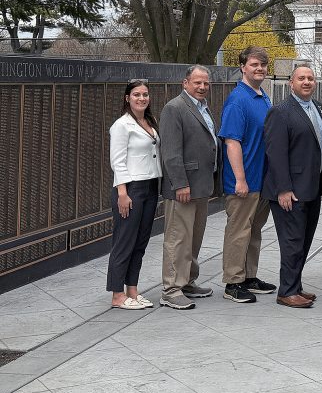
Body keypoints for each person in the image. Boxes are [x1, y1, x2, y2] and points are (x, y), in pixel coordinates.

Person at [263, 65, 322, 309]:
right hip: (289, 192)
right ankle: (286, 291)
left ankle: (296, 285)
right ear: (291, 83)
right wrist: (283, 189)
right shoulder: (280, 112)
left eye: (310, 78)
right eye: (301, 78)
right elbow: (276, 153)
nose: (306, 82)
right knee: (291, 242)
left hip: (311, 189)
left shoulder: (318, 109)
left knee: (303, 242)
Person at [159, 65, 222, 310]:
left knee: (193, 238)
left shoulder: (203, 108)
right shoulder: (174, 108)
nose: (202, 87)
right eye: (197, 82)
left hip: (202, 185)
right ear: (185, 83)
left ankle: (187, 282)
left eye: (205, 83)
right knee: (177, 238)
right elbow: (171, 153)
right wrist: (180, 184)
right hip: (183, 188)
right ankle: (171, 289)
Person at [219, 46, 277, 303]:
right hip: (244, 181)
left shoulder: (263, 96)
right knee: (238, 231)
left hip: (263, 180)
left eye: (263, 65)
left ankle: (249, 276)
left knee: (254, 231)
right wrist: (240, 179)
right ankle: (233, 282)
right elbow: (232, 142)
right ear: (243, 67)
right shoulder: (237, 99)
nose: (260, 69)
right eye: (254, 65)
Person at [107, 79, 162, 310]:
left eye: (145, 94)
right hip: (130, 189)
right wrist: (123, 193)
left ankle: (132, 290)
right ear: (127, 98)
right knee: (124, 242)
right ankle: (118, 296)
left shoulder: (150, 121)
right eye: (137, 94)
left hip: (150, 187)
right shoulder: (122, 125)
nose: (142, 98)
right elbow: (117, 162)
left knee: (140, 242)